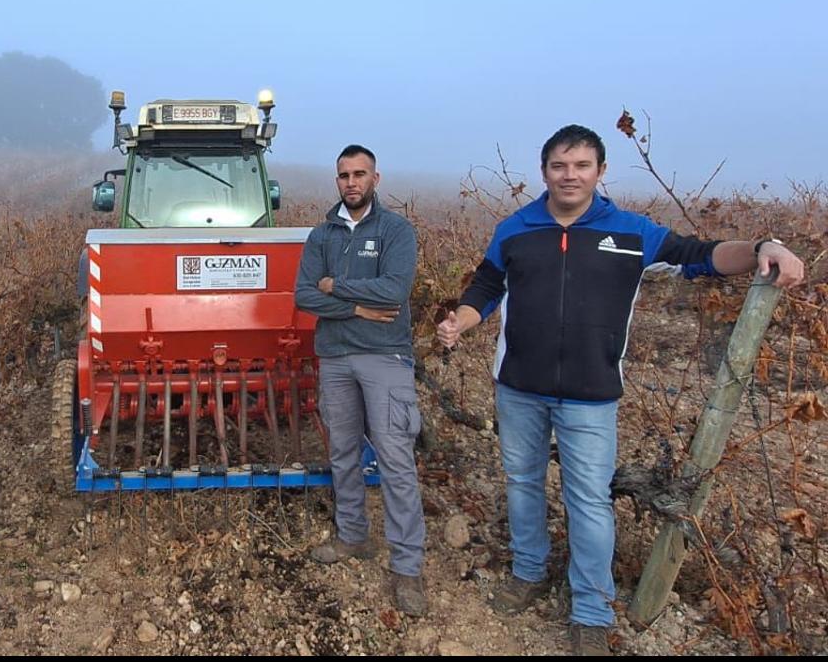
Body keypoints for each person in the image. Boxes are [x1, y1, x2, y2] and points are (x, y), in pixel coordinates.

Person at [436, 124, 804, 655]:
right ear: (544, 172)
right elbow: (487, 286)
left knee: (588, 501)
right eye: (559, 166)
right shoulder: (514, 229)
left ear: (600, 172)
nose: (570, 175)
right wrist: (462, 322)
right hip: (517, 387)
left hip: (591, 394)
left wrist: (763, 245)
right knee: (522, 484)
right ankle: (529, 571)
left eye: (581, 165)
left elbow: (700, 254)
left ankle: (590, 610)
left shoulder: (631, 232)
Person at [294, 144, 428, 617]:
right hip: (334, 357)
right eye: (344, 175)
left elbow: (394, 290)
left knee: (394, 458)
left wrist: (337, 286)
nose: (352, 182)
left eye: (360, 174)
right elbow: (305, 295)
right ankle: (353, 536)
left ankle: (407, 567)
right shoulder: (322, 235)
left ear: (376, 178)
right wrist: (354, 307)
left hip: (385, 356)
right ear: (337, 181)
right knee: (342, 453)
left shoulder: (396, 230)